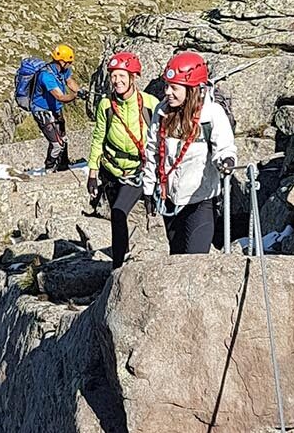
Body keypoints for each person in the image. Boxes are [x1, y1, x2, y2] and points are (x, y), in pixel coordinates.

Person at [143, 51, 236, 255]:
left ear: (192, 89)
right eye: (167, 86)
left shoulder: (211, 114)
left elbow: (225, 145)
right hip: (170, 200)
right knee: (176, 257)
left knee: (196, 260)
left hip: (201, 201)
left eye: (174, 87)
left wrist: (226, 159)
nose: (168, 92)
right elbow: (152, 152)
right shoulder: (161, 112)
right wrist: (148, 189)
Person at [86, 51, 159, 268]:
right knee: (117, 217)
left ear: (132, 77)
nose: (117, 81)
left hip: (138, 170)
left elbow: (161, 137)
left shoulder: (150, 104)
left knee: (118, 212)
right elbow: (98, 137)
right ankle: (122, 253)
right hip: (111, 169)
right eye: (113, 76)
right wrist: (92, 172)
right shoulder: (106, 105)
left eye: (121, 76)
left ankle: (116, 267)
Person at [30, 43, 80, 173]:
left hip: (55, 109)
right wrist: (75, 96)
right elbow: (60, 96)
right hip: (42, 111)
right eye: (68, 62)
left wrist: (79, 91)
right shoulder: (46, 76)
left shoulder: (63, 70)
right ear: (61, 61)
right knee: (56, 144)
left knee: (63, 139)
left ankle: (63, 165)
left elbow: (70, 81)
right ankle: (49, 168)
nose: (70, 64)